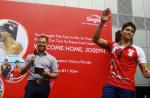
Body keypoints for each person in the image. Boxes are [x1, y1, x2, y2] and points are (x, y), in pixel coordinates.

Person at [93, 8, 150, 98]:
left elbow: (145, 71)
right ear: (122, 32)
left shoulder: (138, 50)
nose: (129, 32)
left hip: (127, 88)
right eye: (127, 30)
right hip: (111, 85)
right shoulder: (113, 45)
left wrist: (147, 73)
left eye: (132, 31)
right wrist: (102, 22)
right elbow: (95, 39)